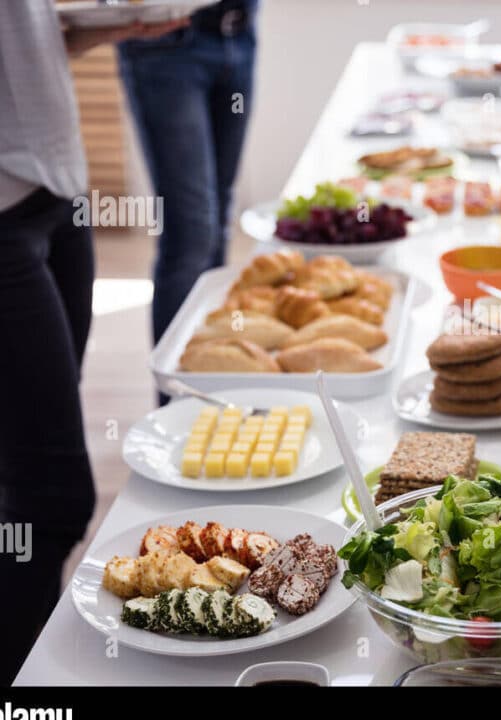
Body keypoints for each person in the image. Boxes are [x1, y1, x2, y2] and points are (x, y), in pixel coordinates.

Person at [0, 3, 187, 685]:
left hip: (58, 186)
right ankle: (27, 693)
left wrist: (107, 26)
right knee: (50, 496)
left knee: (24, 465)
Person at [117, 0, 259, 374]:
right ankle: (176, 402)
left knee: (217, 218)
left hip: (238, 30)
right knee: (191, 231)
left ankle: (209, 379)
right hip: (166, 41)